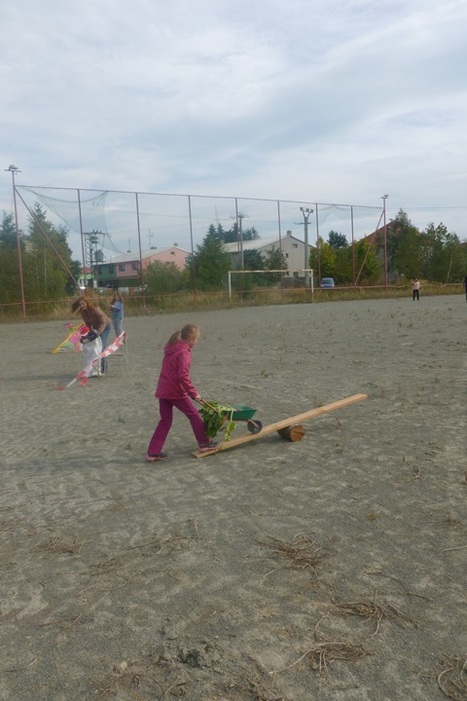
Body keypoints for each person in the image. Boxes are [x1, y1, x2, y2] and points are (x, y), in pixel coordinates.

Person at [146, 324, 218, 462]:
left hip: (163, 389)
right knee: (194, 415)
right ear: (190, 338)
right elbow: (182, 376)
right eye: (196, 339)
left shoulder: (172, 347)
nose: (197, 342)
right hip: (175, 391)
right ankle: (204, 443)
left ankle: (153, 452)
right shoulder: (184, 352)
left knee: (165, 421)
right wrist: (194, 393)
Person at [71, 295, 111, 374]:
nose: (82, 306)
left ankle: (104, 367)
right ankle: (95, 368)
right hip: (95, 328)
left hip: (105, 327)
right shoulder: (83, 313)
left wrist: (98, 333)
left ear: (87, 303)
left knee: (101, 347)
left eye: (83, 304)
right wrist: (86, 335)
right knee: (94, 348)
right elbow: (88, 325)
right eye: (80, 304)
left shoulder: (95, 309)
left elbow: (104, 322)